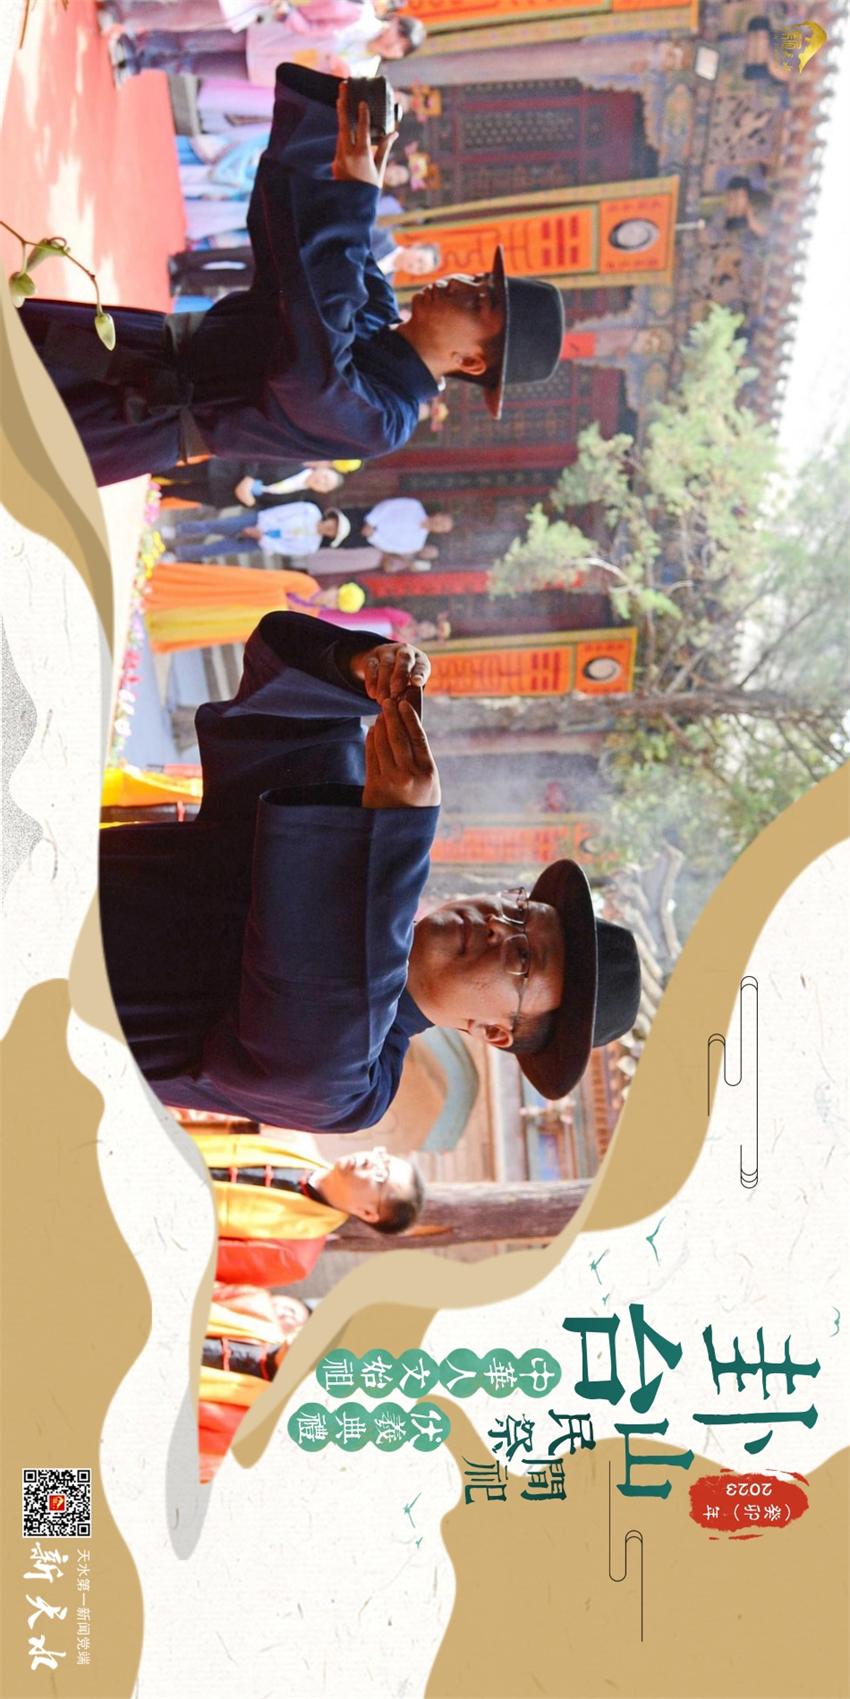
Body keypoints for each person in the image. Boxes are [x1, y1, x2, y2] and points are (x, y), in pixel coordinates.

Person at [99, 612, 641, 1131]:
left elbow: (312, 1039)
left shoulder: (359, 1091)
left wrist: (398, 833)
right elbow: (276, 704)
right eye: (520, 910)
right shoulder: (349, 837)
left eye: (522, 958)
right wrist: (359, 669)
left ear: (495, 1031)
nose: (499, 925)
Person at [20, 69, 565, 487]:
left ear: (472, 362)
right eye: (477, 279)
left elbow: (310, 363)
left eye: (478, 303)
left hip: (133, 416)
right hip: (137, 339)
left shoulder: (386, 421)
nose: (460, 285)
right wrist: (341, 142)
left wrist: (356, 200)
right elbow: (299, 244)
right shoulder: (376, 312)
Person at [191, 1131, 424, 1283]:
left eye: (380, 1176)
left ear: (368, 1213)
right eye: (382, 1158)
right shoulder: (293, 1136)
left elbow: (200, 1261)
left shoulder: (294, 1255)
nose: (369, 1162)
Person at [106, 8, 427, 84]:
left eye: (400, 49)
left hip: (270, 68)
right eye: (398, 36)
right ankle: (136, 42)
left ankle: (140, 64)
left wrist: (337, 73)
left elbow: (330, 89)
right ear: (394, 23)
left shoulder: (366, 72)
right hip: (268, 35)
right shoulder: (360, 16)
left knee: (196, 65)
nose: (392, 45)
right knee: (192, 39)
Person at [167, 500, 352, 557]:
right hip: (260, 521)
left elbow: (285, 548)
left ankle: (178, 553)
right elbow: (280, 512)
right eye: (333, 524)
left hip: (262, 543)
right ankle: (178, 530)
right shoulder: (309, 510)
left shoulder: (311, 545)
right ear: (331, 518)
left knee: (218, 549)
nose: (330, 528)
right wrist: (260, 528)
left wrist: (262, 538)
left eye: (333, 531)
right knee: (216, 526)